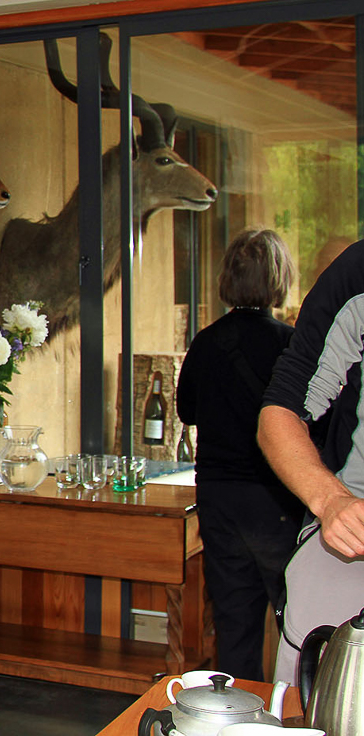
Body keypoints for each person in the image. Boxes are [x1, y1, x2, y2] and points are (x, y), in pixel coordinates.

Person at [176, 229, 302, 680]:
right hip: (277, 500)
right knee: (296, 622)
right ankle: (294, 714)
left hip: (219, 499)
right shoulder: (290, 344)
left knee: (234, 622)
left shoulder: (207, 342)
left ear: (227, 277)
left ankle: (237, 714)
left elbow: (186, 411)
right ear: (279, 278)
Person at [258, 237, 364, 682]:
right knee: (315, 693)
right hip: (354, 534)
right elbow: (279, 413)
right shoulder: (357, 273)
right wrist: (331, 502)